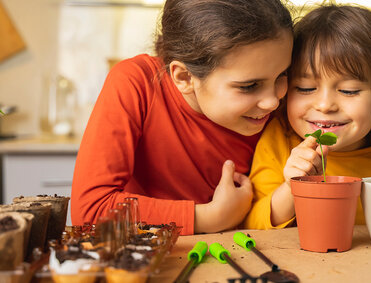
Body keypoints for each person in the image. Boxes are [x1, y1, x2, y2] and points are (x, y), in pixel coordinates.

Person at [71, 0, 293, 235]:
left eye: (283, 74)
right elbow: (90, 212)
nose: (273, 101)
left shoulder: (281, 106)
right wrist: (210, 217)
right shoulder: (137, 83)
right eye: (249, 86)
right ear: (185, 77)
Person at [243, 4, 371, 230]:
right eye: (305, 88)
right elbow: (254, 224)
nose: (324, 105)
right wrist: (292, 186)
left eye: (349, 90)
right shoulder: (279, 139)